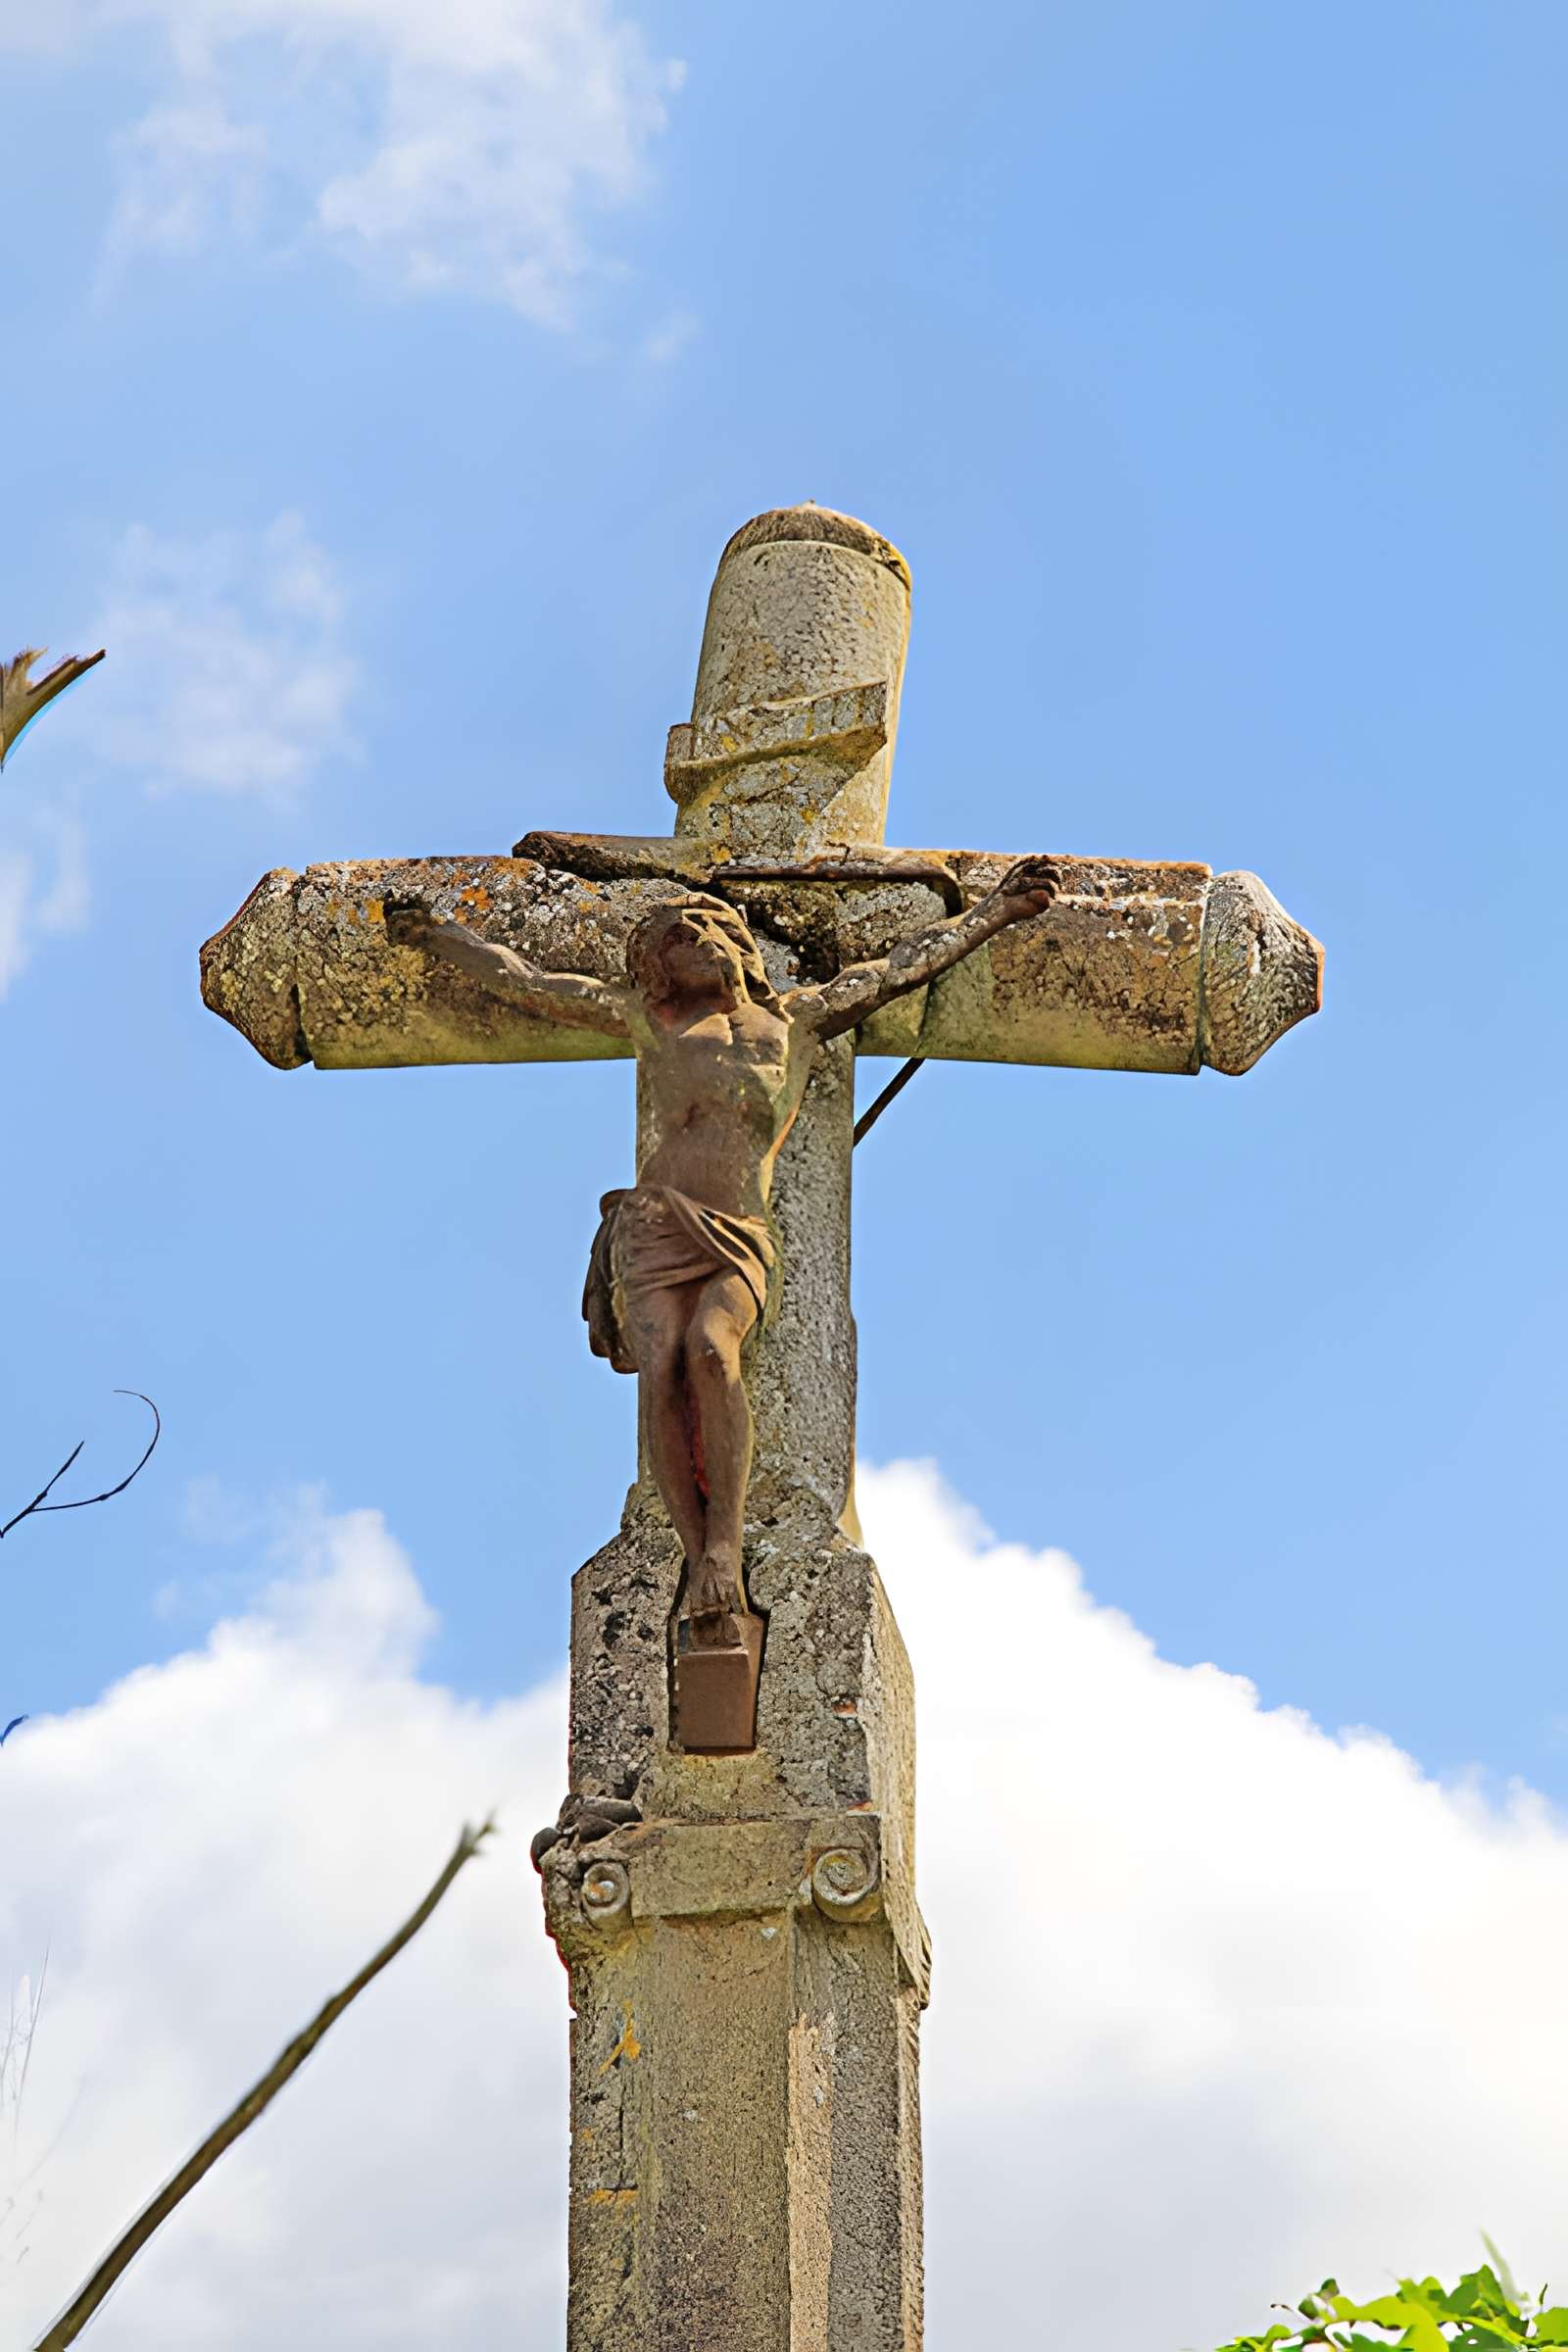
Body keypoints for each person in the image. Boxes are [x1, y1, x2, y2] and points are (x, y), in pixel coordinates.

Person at [386, 857, 1060, 1649]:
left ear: (741, 947)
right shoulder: (652, 1023)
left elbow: (899, 969)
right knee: (666, 1359)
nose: (696, 939)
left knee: (713, 1349)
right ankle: (700, 1551)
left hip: (738, 1230)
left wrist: (997, 913)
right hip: (655, 1224)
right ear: (657, 966)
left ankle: (725, 1545)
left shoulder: (798, 1021)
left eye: (709, 927)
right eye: (676, 937)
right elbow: (528, 981)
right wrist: (441, 936)